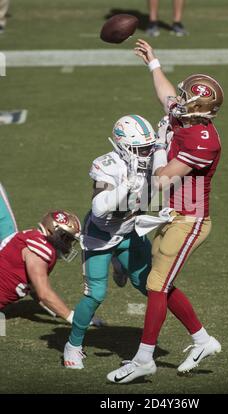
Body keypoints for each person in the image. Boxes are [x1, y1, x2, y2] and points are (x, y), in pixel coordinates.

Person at [107, 39, 224, 383]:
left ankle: (144, 358)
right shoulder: (186, 115)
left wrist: (158, 144)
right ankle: (202, 340)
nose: (180, 101)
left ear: (201, 108)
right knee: (155, 282)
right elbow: (165, 96)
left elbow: (161, 181)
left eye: (187, 98)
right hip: (170, 215)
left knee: (157, 284)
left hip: (190, 220)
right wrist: (153, 63)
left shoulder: (203, 141)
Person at [63, 114, 157, 369]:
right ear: (122, 146)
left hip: (131, 230)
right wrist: (125, 187)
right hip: (101, 237)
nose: (147, 153)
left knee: (150, 287)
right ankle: (73, 344)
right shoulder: (108, 165)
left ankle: (145, 352)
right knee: (96, 295)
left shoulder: (155, 158)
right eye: (141, 148)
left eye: (150, 146)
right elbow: (98, 208)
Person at [0, 207, 84, 323]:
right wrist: (72, 317)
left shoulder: (33, 237)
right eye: (66, 238)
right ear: (50, 231)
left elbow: (34, 288)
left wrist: (55, 310)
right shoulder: (40, 249)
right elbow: (44, 293)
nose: (68, 245)